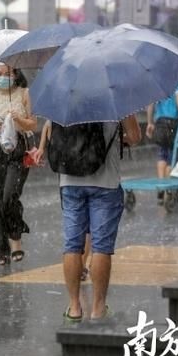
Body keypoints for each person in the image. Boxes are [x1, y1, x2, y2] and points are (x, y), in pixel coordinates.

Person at [56, 117, 141, 321]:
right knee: (101, 247)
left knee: (72, 246)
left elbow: (52, 136)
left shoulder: (65, 99)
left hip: (70, 180)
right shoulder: (114, 99)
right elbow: (135, 137)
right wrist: (117, 138)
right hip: (105, 181)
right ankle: (98, 308)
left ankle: (74, 307)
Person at [0, 64, 37, 265]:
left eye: (9, 73)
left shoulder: (25, 93)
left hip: (18, 147)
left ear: (16, 74)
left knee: (9, 195)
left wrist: (18, 118)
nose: (4, 77)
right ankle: (0, 249)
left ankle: (16, 240)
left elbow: (33, 124)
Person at [34, 121, 92, 281]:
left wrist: (41, 148)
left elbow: (47, 125)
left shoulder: (62, 109)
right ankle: (82, 264)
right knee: (87, 225)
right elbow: (47, 125)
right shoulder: (92, 111)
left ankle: (81, 264)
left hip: (68, 172)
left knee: (76, 223)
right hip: (87, 169)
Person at [145, 76, 178, 204]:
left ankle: (161, 188)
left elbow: (150, 102)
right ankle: (169, 190)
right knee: (173, 157)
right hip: (174, 123)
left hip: (160, 121)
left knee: (162, 155)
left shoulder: (160, 78)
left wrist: (149, 122)